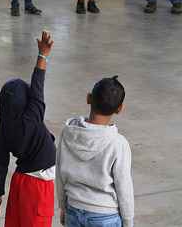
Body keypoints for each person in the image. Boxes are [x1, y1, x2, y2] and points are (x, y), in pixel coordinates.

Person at [0, 31, 56, 226]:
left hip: (19, 182)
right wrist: (42, 54)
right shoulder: (32, 118)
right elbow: (38, 84)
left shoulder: (3, 127)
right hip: (38, 186)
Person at [56, 76, 134, 227]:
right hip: (105, 216)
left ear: (88, 98)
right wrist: (128, 221)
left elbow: (59, 173)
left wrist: (63, 206)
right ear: (120, 108)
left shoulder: (67, 133)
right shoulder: (118, 144)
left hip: (74, 208)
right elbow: (124, 187)